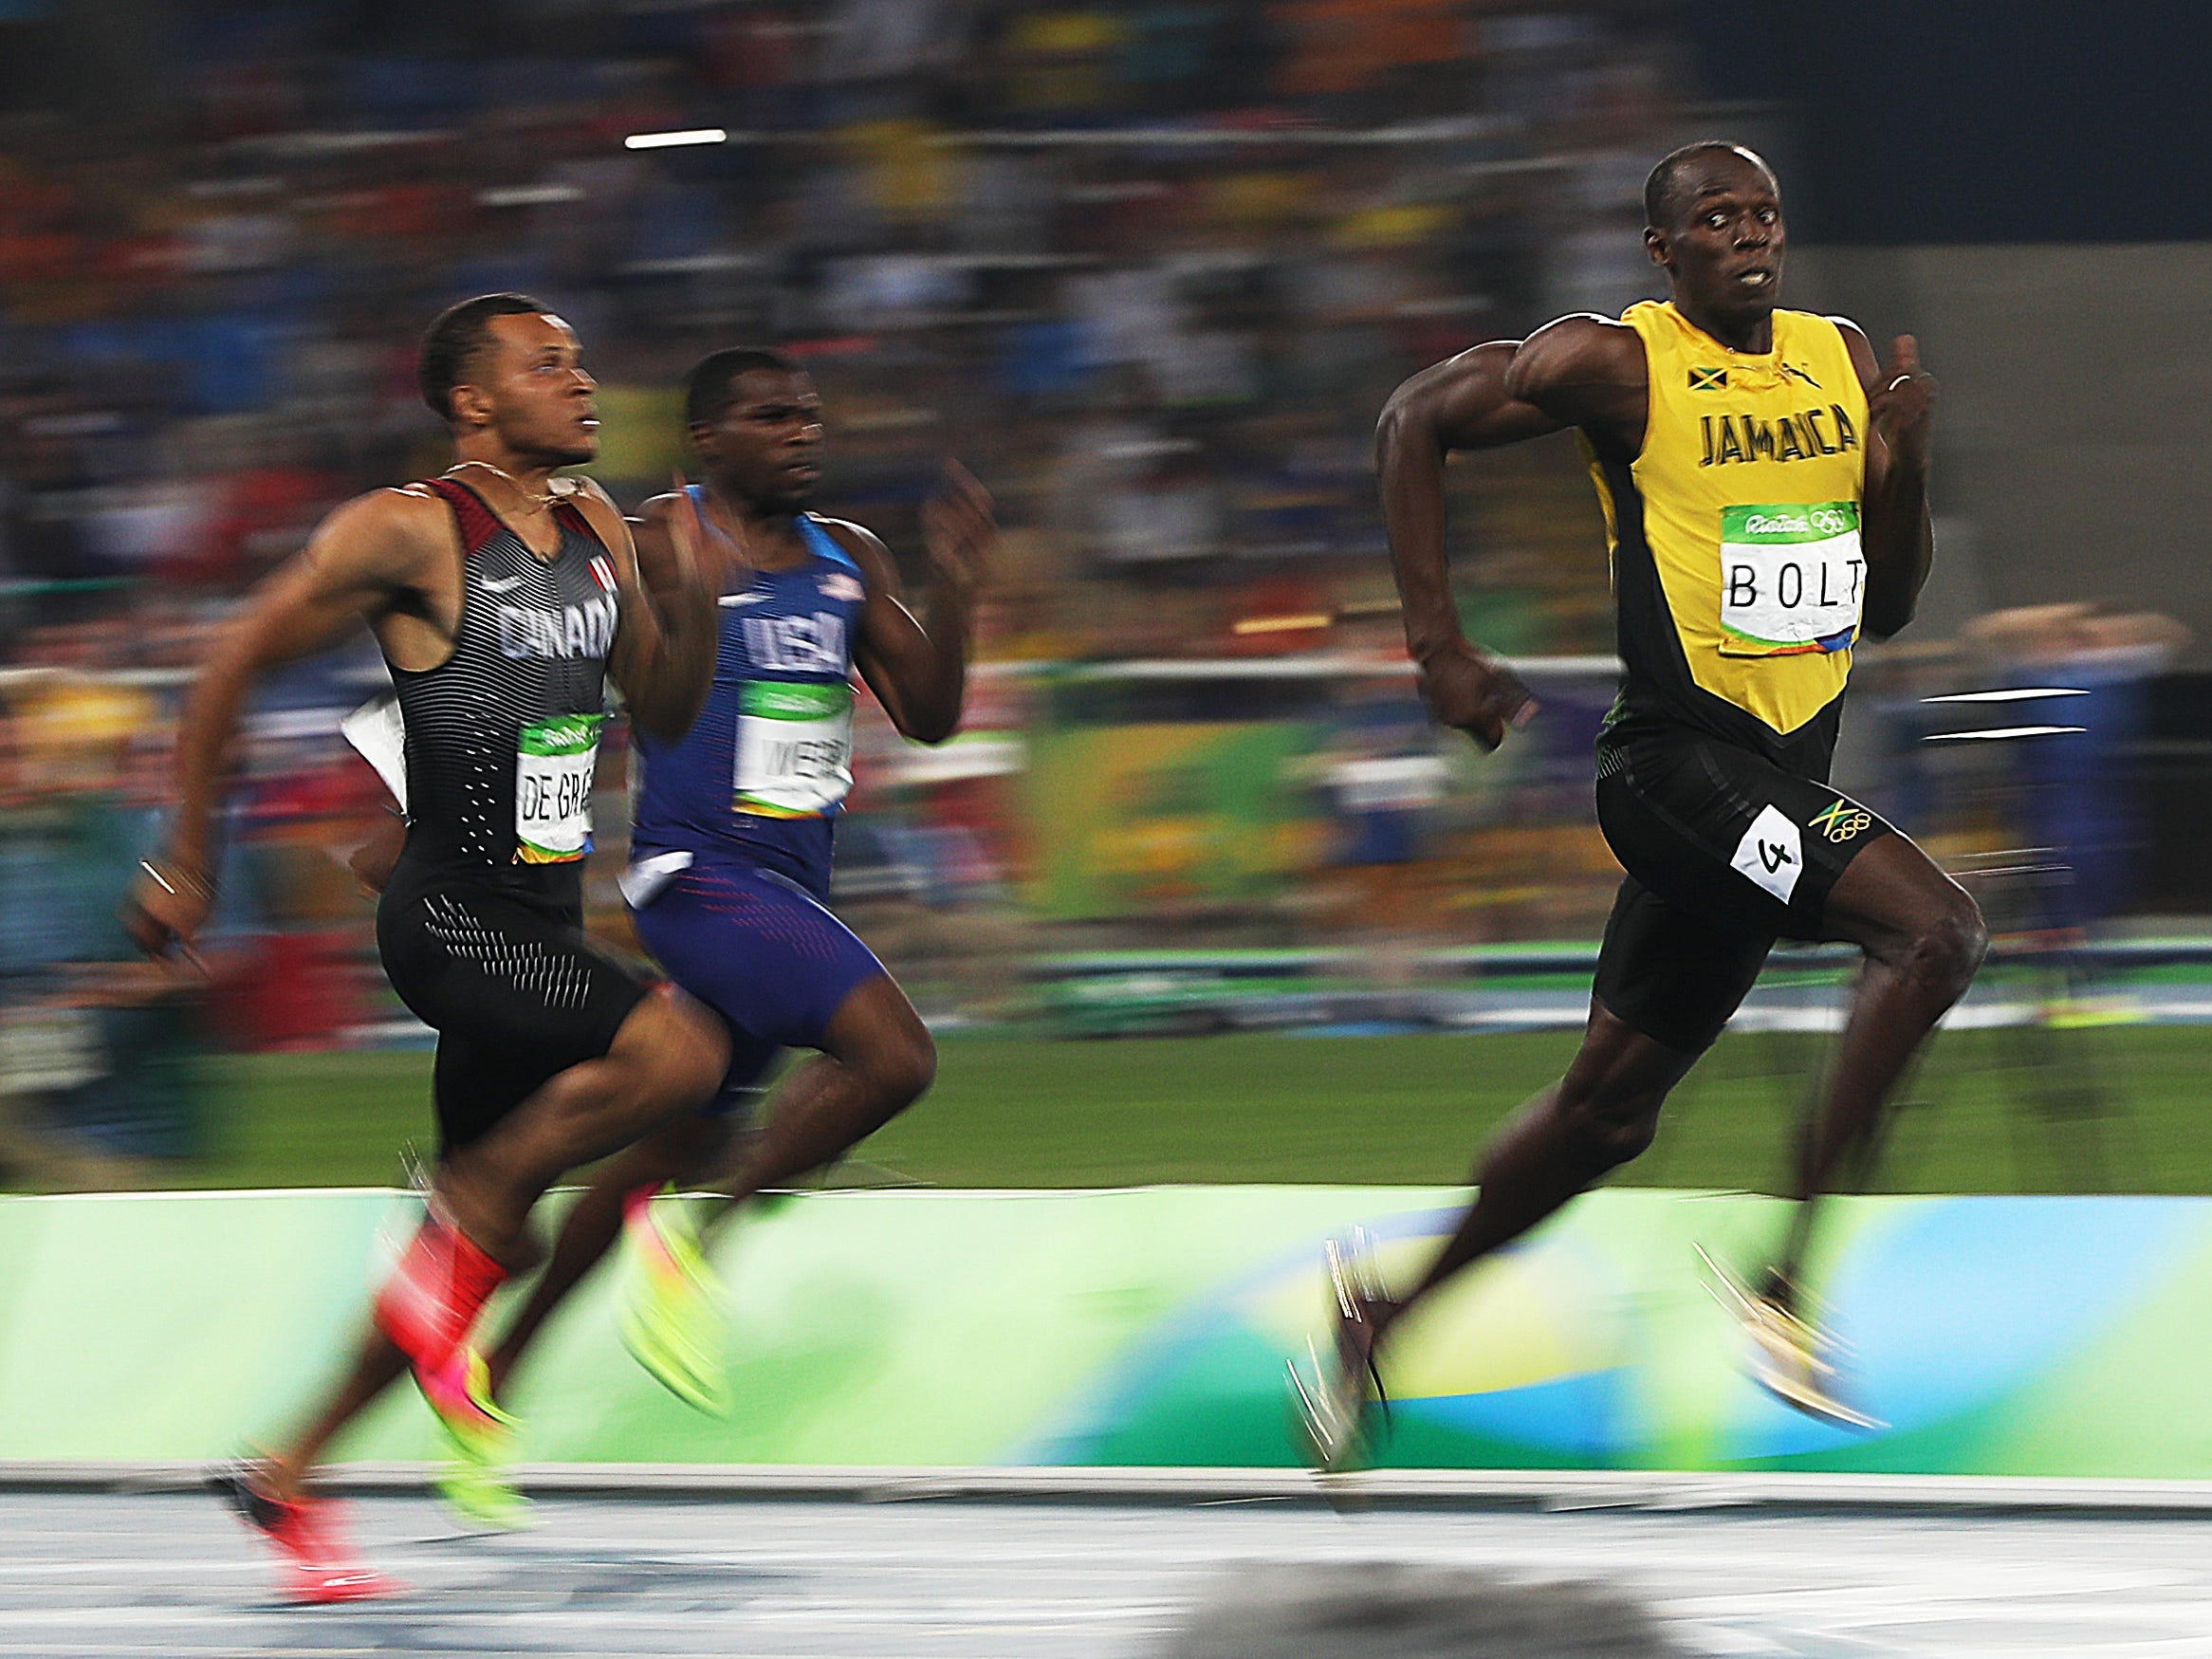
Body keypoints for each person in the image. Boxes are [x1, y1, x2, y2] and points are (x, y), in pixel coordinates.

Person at [1294, 142, 1984, 1467]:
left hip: (1772, 789)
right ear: (1664, 251)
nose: (1748, 236)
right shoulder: (1617, 361)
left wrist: (1906, 455)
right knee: (1936, 932)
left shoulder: (1838, 360)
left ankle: (1380, 1319)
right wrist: (1436, 644)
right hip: (1672, 769)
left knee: (1609, 1112)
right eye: (1715, 220)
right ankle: (1787, 1287)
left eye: (1765, 214)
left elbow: (1884, 603)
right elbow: (1412, 421)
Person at [123, 293, 727, 1600]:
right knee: (684, 1054)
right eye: (547, 363)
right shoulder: (408, 527)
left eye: (581, 357)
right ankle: (456, 1231)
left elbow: (663, 706)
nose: (581, 380)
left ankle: (286, 1471)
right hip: (452, 917)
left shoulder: (597, 530)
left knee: (491, 1231)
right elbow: (230, 656)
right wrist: (189, 859)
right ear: (472, 400)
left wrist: (691, 601)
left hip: (545, 916)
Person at [431, 347, 990, 1522]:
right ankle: (699, 1241)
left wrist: (958, 584)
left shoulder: (850, 559)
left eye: (809, 416)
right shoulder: (653, 540)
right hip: (697, 880)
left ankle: (487, 1381)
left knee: (668, 1141)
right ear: (706, 441)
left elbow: (930, 716)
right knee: (895, 1057)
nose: (800, 433)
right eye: (770, 417)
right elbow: (533, 651)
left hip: (788, 896)